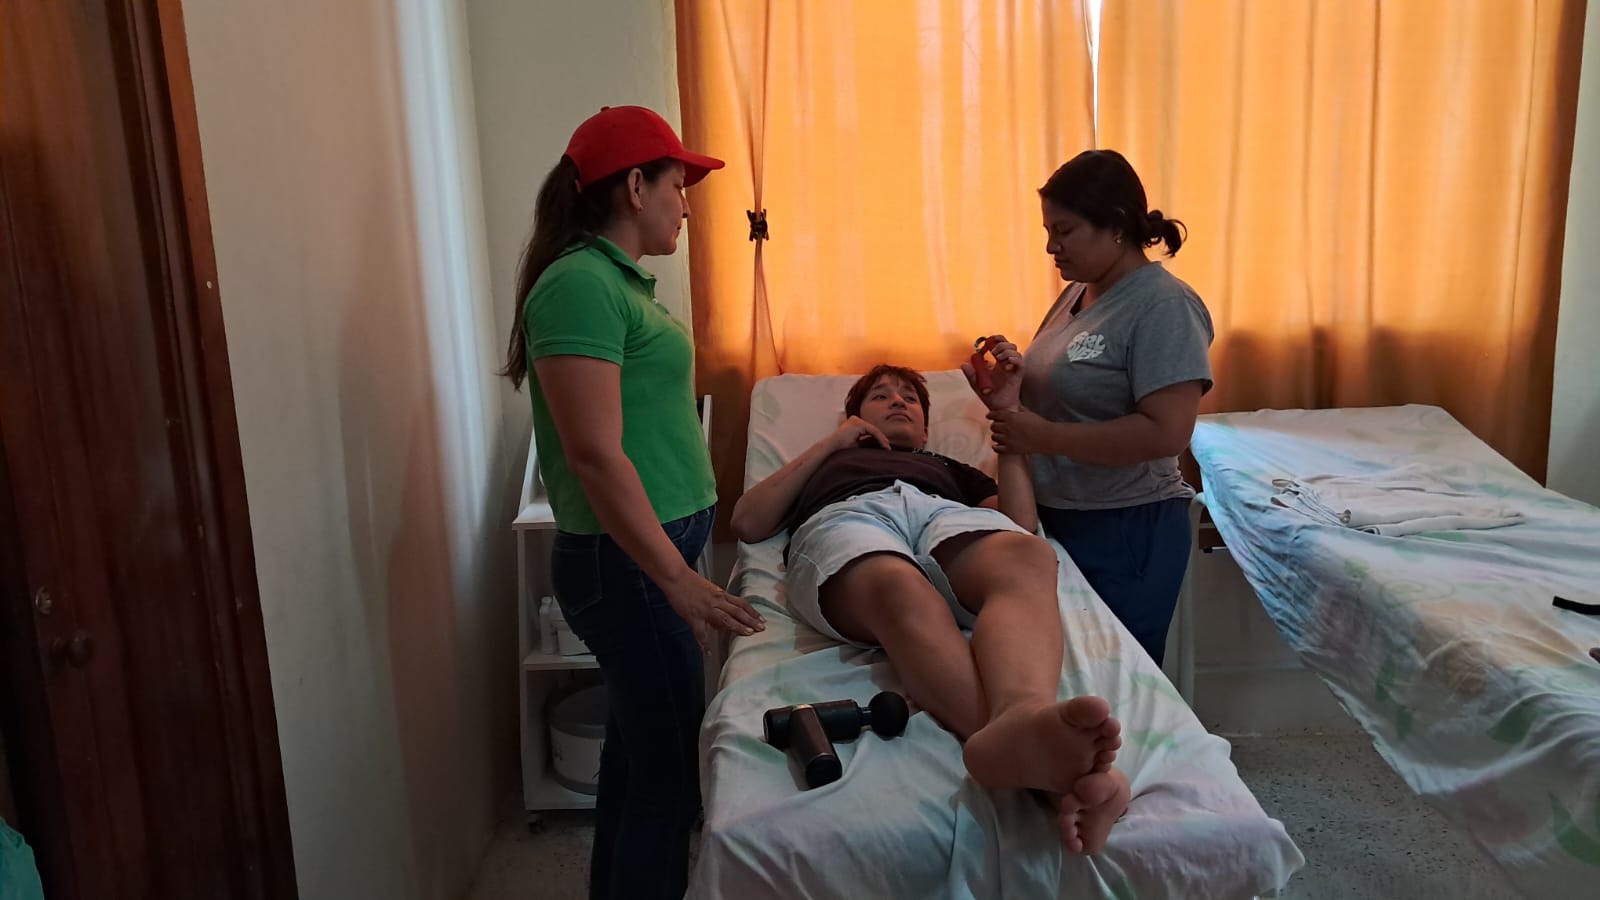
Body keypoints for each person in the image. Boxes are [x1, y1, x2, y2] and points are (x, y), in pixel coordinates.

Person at [501, 105, 765, 900]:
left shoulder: (612, 282)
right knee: (669, 781)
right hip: (627, 569)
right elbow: (593, 454)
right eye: (678, 186)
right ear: (635, 186)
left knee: (636, 760)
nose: (686, 205)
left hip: (642, 564)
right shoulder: (578, 285)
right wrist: (676, 581)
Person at [730, 363, 1130, 854]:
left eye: (910, 398)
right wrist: (833, 444)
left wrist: (1008, 423)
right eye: (881, 395)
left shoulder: (947, 468)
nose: (898, 401)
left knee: (1028, 555)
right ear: (856, 418)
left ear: (923, 430)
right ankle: (1049, 775)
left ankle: (1023, 713)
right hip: (850, 515)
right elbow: (748, 522)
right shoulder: (829, 463)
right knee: (898, 587)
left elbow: (1020, 521)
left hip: (942, 514)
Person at [974, 149, 1214, 667]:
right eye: (1047, 231)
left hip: (1126, 529)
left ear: (1118, 226)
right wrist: (1014, 383)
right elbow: (1071, 396)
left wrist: (1039, 436)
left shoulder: (1164, 305)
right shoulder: (1079, 293)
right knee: (1059, 677)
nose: (1050, 246)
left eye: (1064, 230)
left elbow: (1166, 433)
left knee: (1113, 682)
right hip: (1060, 520)